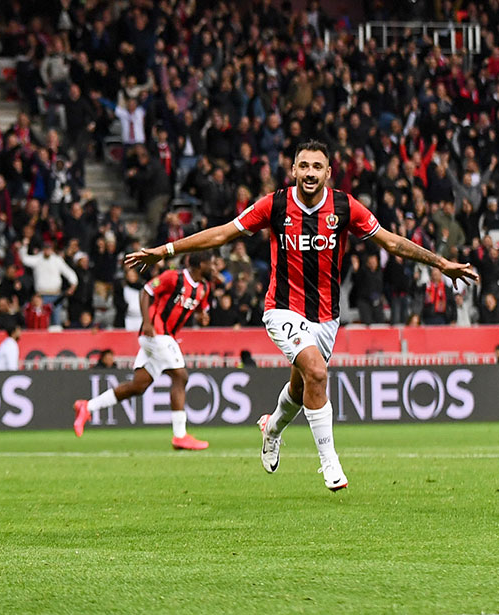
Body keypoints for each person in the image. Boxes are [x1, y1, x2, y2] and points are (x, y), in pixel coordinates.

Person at [125, 140, 478, 491]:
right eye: (303, 166)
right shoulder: (276, 204)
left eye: (316, 167)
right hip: (282, 309)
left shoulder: (344, 206)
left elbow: (391, 242)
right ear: (293, 170)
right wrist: (166, 250)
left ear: (328, 172)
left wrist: (441, 262)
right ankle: (330, 464)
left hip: (326, 317)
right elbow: (223, 234)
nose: (309, 173)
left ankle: (272, 428)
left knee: (301, 386)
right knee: (317, 372)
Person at [73, 252, 215, 451]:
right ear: (201, 264)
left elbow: (201, 310)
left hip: (165, 337)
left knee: (138, 386)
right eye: (212, 263)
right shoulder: (174, 277)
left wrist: (202, 318)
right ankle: (180, 436)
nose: (215, 268)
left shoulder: (204, 288)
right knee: (180, 377)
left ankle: (87, 407)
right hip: (156, 333)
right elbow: (146, 291)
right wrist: (147, 322)